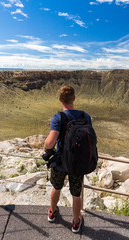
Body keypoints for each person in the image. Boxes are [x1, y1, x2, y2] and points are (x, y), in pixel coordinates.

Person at [43, 85, 92, 233]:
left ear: (60, 100)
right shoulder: (85, 116)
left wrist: (46, 148)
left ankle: (52, 212)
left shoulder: (59, 117)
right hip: (78, 163)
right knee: (76, 194)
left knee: (57, 187)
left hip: (60, 163)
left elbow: (50, 142)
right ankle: (76, 222)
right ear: (74, 98)